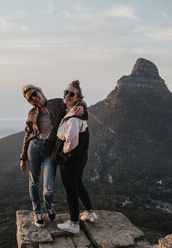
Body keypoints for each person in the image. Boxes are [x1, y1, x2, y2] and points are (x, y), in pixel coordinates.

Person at [20, 84, 87, 228]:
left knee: (48, 186)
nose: (33, 97)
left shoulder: (57, 103)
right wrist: (23, 157)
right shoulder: (32, 113)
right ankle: (37, 212)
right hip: (35, 147)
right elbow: (27, 134)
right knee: (33, 182)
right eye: (29, 98)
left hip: (50, 150)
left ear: (39, 90)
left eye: (34, 93)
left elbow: (72, 101)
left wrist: (81, 105)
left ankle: (49, 205)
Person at [53, 80, 97, 234]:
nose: (67, 95)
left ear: (77, 98)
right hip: (80, 158)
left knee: (71, 190)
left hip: (70, 160)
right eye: (66, 92)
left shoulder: (74, 117)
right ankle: (90, 213)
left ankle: (73, 223)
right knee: (78, 184)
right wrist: (82, 105)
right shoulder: (73, 112)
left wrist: (61, 156)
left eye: (71, 94)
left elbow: (71, 141)